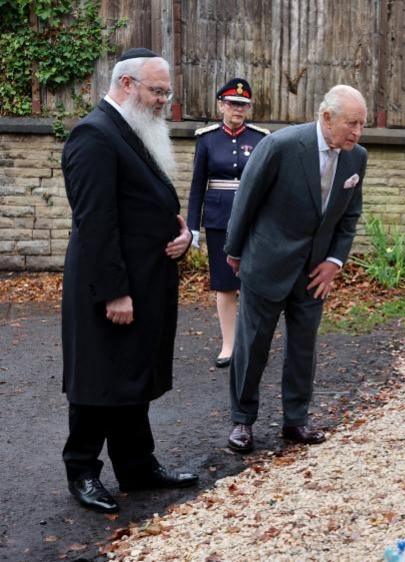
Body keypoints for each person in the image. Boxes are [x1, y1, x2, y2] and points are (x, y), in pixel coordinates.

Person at [60, 47, 198, 514]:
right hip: (109, 288)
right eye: (157, 91)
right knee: (100, 380)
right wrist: (115, 291)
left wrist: (180, 233)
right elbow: (95, 222)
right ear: (126, 85)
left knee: (132, 377)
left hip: (145, 280)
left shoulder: (132, 128)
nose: (164, 100)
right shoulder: (93, 135)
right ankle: (81, 471)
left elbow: (143, 202)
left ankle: (137, 467)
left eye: (166, 91)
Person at [224, 84, 367, 453]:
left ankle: (296, 420)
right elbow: (246, 199)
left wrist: (334, 262)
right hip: (266, 262)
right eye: (352, 123)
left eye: (362, 124)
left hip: (314, 273)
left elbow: (349, 217)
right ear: (326, 117)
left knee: (304, 348)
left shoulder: (357, 159)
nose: (357, 132)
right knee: (252, 345)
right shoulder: (282, 146)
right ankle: (242, 421)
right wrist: (235, 250)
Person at [186, 78, 269, 368]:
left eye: (243, 105)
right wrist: (192, 227)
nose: (238, 110)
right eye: (233, 104)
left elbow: (268, 185)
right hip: (219, 219)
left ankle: (251, 344)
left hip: (253, 221)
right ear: (221, 105)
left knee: (252, 283)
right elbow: (197, 186)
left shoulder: (260, 139)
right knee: (224, 284)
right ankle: (229, 345)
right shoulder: (207, 139)